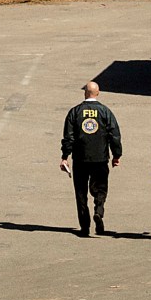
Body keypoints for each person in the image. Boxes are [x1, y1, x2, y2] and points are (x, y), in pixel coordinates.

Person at [58, 81, 122, 237]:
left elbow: (69, 137)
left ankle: (84, 226)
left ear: (84, 93)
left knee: (80, 192)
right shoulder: (105, 112)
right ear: (98, 93)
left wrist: (65, 156)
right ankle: (98, 210)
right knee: (100, 188)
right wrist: (116, 155)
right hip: (100, 158)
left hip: (80, 159)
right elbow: (114, 135)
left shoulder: (75, 112)